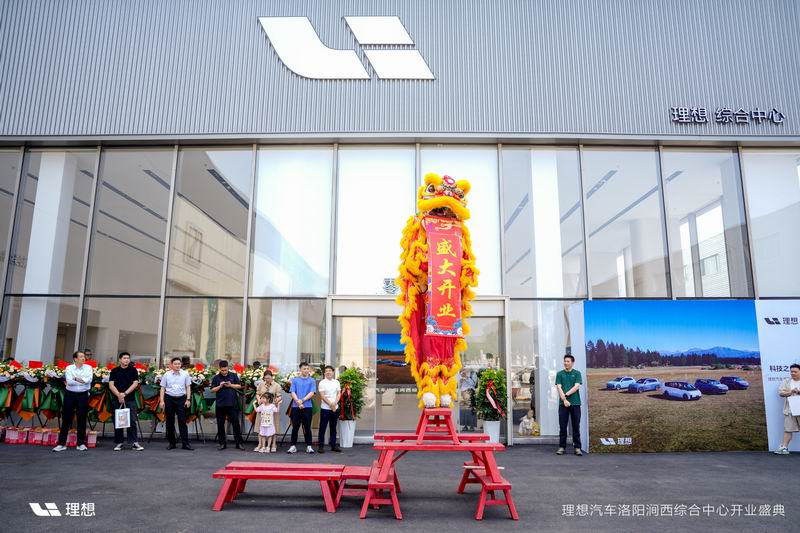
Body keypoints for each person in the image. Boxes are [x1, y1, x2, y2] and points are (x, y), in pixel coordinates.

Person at [53, 351, 93, 452]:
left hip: (83, 395)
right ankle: (61, 444)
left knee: (82, 418)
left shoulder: (88, 368)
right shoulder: (69, 368)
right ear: (75, 358)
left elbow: (88, 380)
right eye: (81, 357)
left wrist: (75, 378)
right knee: (66, 418)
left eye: (84, 356)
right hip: (70, 394)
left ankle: (81, 443)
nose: (83, 358)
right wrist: (81, 380)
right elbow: (70, 382)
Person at [108, 352, 144, 451]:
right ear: (120, 359)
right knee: (118, 421)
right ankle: (119, 443)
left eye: (128, 358)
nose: (126, 360)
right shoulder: (114, 371)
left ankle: (134, 443)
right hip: (117, 399)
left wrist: (124, 394)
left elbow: (135, 384)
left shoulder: (133, 370)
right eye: (124, 358)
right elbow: (111, 385)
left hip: (130, 399)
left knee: (132, 421)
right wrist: (119, 395)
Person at [159, 357, 193, 450]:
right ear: (172, 365)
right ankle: (172, 443)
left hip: (181, 399)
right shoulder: (167, 374)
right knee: (170, 422)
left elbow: (188, 387)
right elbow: (162, 388)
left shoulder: (185, 374)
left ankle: (185, 444)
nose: (177, 365)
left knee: (182, 421)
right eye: (175, 364)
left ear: (181, 364)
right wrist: (162, 401)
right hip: (169, 398)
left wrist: (188, 399)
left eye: (179, 364)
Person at [210, 361, 244, 450]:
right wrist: (220, 386)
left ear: (228, 368)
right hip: (220, 404)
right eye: (222, 370)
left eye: (225, 370)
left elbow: (239, 386)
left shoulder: (233, 375)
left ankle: (238, 443)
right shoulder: (216, 378)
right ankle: (222, 443)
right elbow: (212, 390)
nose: (224, 372)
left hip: (232, 403)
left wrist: (230, 385)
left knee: (235, 423)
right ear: (219, 369)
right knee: (220, 424)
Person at [555, 354, 582, 456]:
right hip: (563, 404)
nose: (565, 363)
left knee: (576, 426)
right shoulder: (560, 374)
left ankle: (577, 448)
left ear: (572, 363)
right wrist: (564, 400)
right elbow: (559, 387)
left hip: (575, 403)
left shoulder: (577, 373)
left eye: (568, 361)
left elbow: (576, 386)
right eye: (565, 361)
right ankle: (562, 447)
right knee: (563, 427)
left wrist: (566, 395)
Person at [288, 361, 316, 454]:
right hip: (296, 407)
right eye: (304, 369)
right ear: (300, 369)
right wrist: (298, 401)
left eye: (307, 369)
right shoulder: (295, 380)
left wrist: (302, 400)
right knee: (295, 427)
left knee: (307, 427)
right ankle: (293, 446)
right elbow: (292, 392)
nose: (306, 370)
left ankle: (309, 446)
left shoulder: (312, 380)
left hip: (307, 407)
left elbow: (312, 393)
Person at [774, 363, 800, 455]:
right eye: (791, 371)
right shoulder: (786, 381)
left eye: (795, 371)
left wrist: (799, 392)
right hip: (790, 409)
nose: (793, 373)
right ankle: (783, 448)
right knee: (788, 429)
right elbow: (781, 393)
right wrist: (791, 392)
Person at [255, 370, 283, 452]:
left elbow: (279, 396)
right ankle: (260, 444)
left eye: (269, 378)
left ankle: (273, 444)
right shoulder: (261, 384)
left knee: (274, 426)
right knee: (260, 426)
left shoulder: (276, 385)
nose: (267, 380)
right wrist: (259, 399)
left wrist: (277, 401)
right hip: (262, 407)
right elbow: (257, 393)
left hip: (272, 408)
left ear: (272, 377)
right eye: (265, 378)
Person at [317, 365, 342, 453]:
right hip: (325, 408)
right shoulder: (322, 382)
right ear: (324, 373)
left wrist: (335, 403)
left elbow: (339, 394)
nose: (328, 372)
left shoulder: (336, 382)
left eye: (330, 371)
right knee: (322, 427)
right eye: (326, 371)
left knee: (333, 427)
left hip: (335, 408)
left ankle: (333, 445)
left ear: (333, 372)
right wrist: (331, 404)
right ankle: (321, 446)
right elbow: (322, 396)